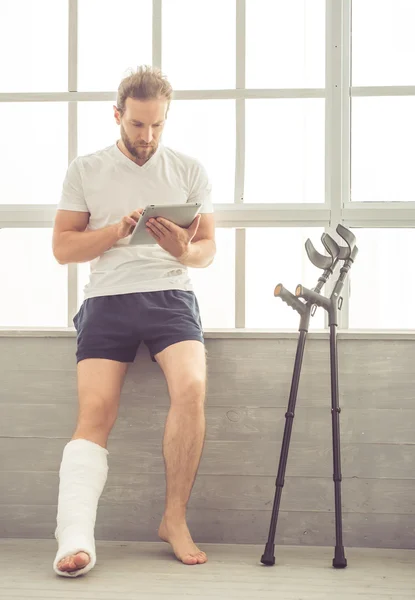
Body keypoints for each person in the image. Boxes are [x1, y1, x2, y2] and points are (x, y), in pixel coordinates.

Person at [51, 65, 216, 578]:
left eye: (157, 126)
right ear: (118, 116)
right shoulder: (86, 169)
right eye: (138, 125)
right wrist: (115, 234)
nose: (148, 137)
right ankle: (76, 536)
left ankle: (174, 519)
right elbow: (62, 248)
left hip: (170, 295)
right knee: (95, 412)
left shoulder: (188, 169)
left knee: (191, 388)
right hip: (108, 298)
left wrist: (184, 250)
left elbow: (208, 251)